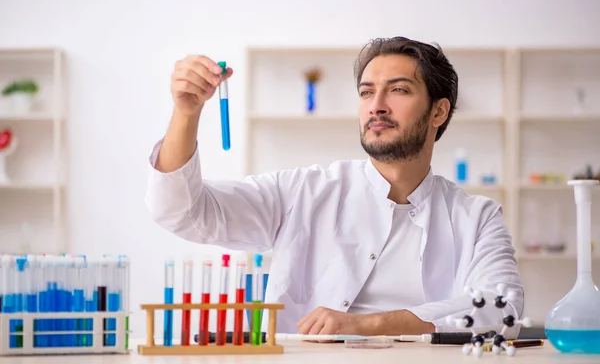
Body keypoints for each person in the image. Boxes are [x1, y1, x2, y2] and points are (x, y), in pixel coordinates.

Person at [145, 36, 524, 338]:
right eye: (365, 92)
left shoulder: (477, 218)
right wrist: (186, 112)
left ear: (438, 112)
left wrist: (366, 325)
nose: (376, 105)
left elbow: (502, 308)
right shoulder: (301, 192)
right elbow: (183, 213)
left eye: (398, 90)